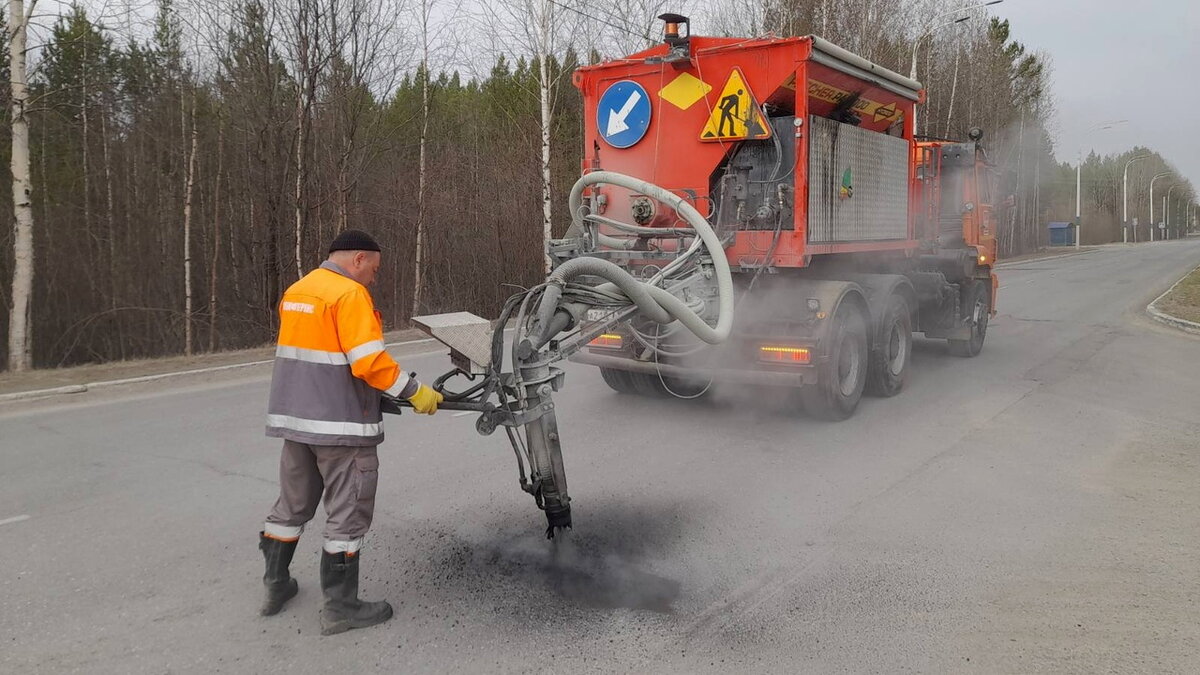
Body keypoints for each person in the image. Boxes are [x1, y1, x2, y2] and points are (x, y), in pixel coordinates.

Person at [257, 229, 443, 635]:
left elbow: (321, 356)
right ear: (358, 259)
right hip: (341, 428)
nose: (373, 279)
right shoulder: (349, 294)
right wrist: (417, 393)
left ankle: (275, 587)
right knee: (347, 517)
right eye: (373, 270)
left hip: (296, 423)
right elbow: (369, 362)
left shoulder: (299, 290)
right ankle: (341, 608)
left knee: (291, 507)